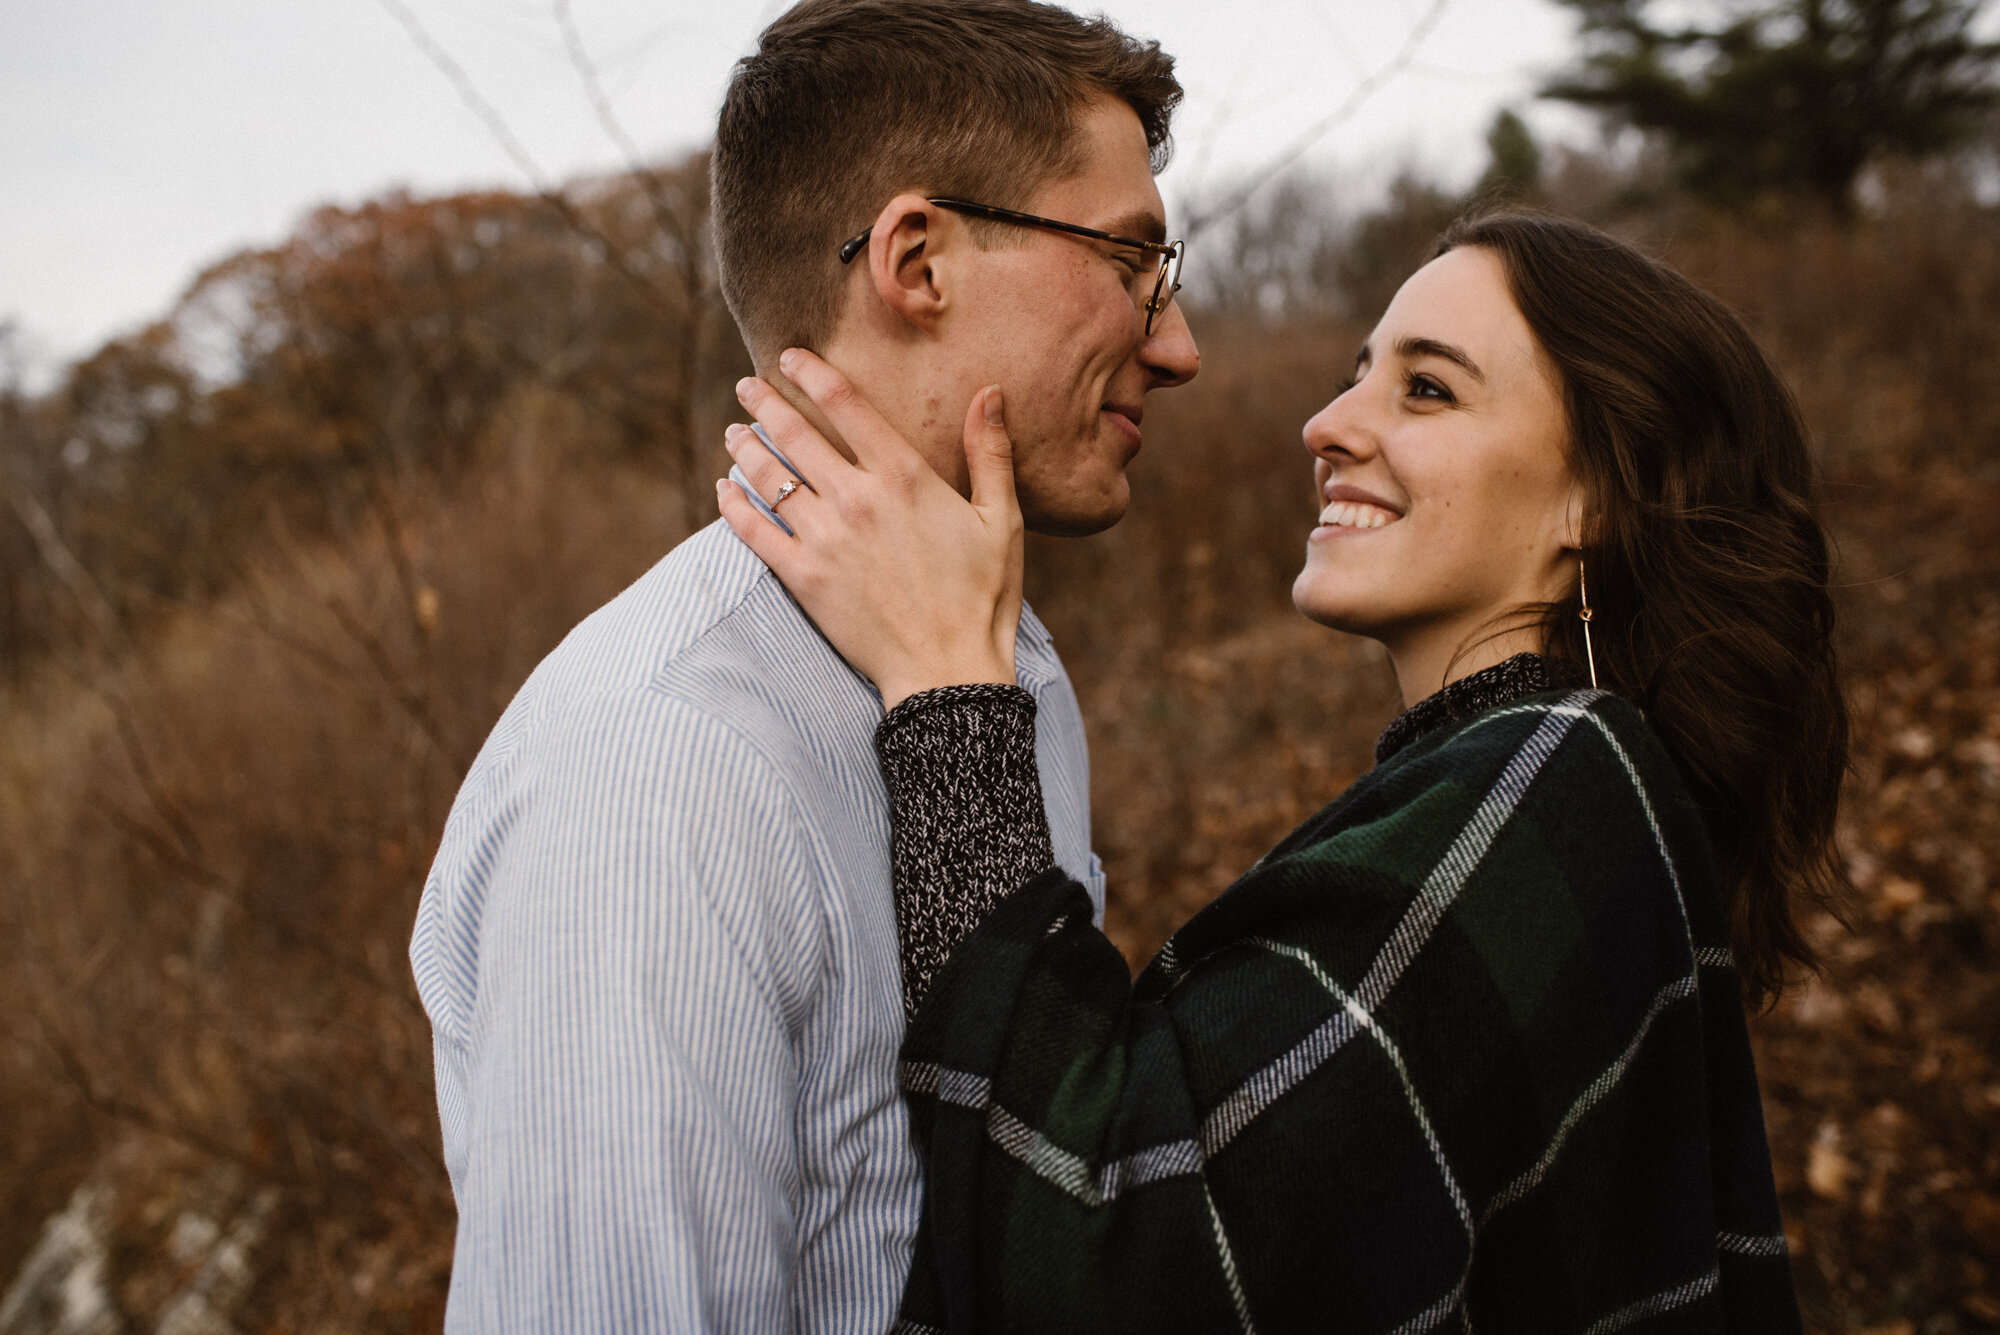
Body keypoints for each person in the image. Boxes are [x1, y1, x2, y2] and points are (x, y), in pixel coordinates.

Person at [718, 212, 1846, 1332]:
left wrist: (947, 690)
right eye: (1358, 375)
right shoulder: (1536, 797)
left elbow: (1111, 1268)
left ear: (1588, 499)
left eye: (1427, 391)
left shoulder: (1563, 781)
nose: (1326, 424)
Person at [408, 0, 1198, 1328]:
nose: (1176, 343)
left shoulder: (1016, 676)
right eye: (1129, 259)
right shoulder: (660, 768)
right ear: (917, 258)